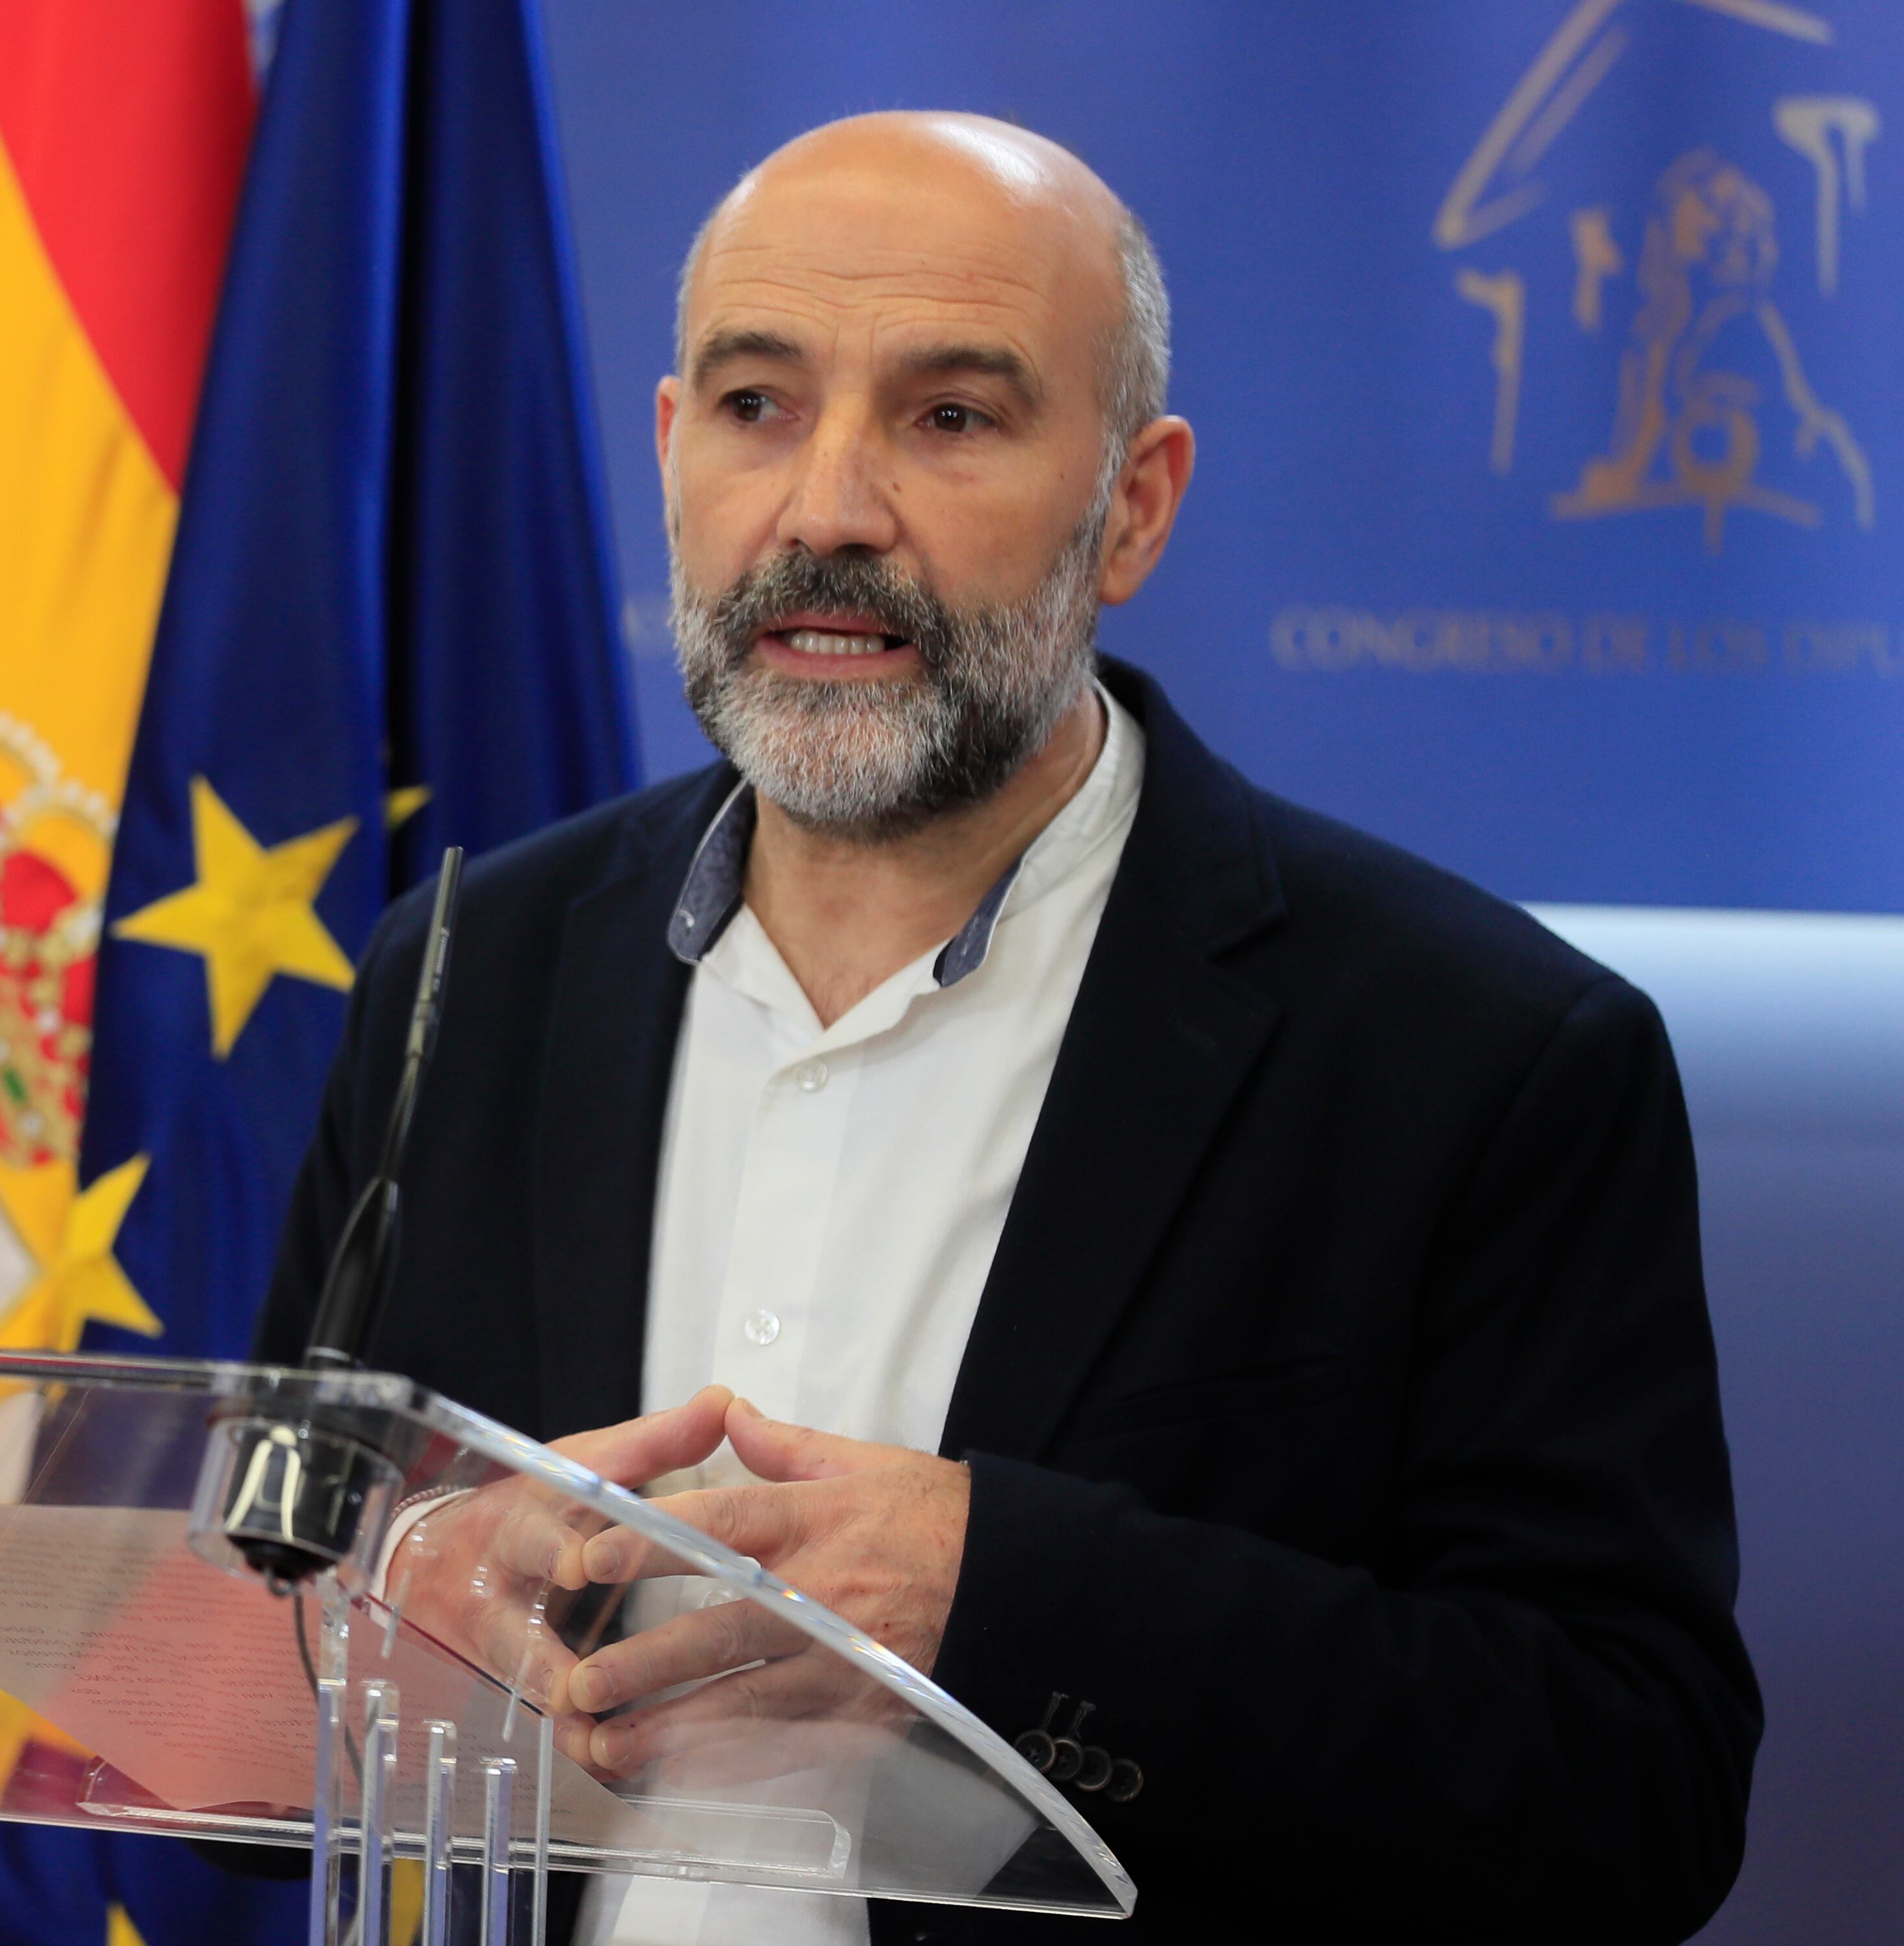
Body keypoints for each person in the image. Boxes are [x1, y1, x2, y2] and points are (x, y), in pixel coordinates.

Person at [254, 113, 1759, 1943]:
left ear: (1132, 502)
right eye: (756, 407)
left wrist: (1013, 1603)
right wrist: (394, 1596)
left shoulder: (1475, 1056)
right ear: (670, 452)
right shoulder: (463, 970)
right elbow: (265, 1622)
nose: (827, 510)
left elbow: (1634, 1793)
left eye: (950, 418)